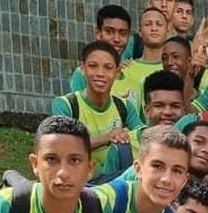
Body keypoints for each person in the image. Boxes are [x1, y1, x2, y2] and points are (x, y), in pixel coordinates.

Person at [54, 41, 144, 171]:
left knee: (124, 146)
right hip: (80, 178)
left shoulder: (124, 105)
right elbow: (64, 146)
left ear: (117, 72)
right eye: (93, 66)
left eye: (108, 67)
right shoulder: (66, 104)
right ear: (82, 69)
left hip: (115, 178)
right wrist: (107, 138)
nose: (100, 73)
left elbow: (142, 135)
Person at [68, 6, 136, 98]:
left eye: (122, 33)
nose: (116, 39)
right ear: (98, 33)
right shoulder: (83, 73)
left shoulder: (131, 71)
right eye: (109, 32)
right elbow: (77, 104)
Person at [123, 8, 169, 100]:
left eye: (159, 24)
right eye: (148, 24)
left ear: (167, 32)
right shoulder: (126, 69)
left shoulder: (172, 68)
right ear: (140, 32)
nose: (154, 28)